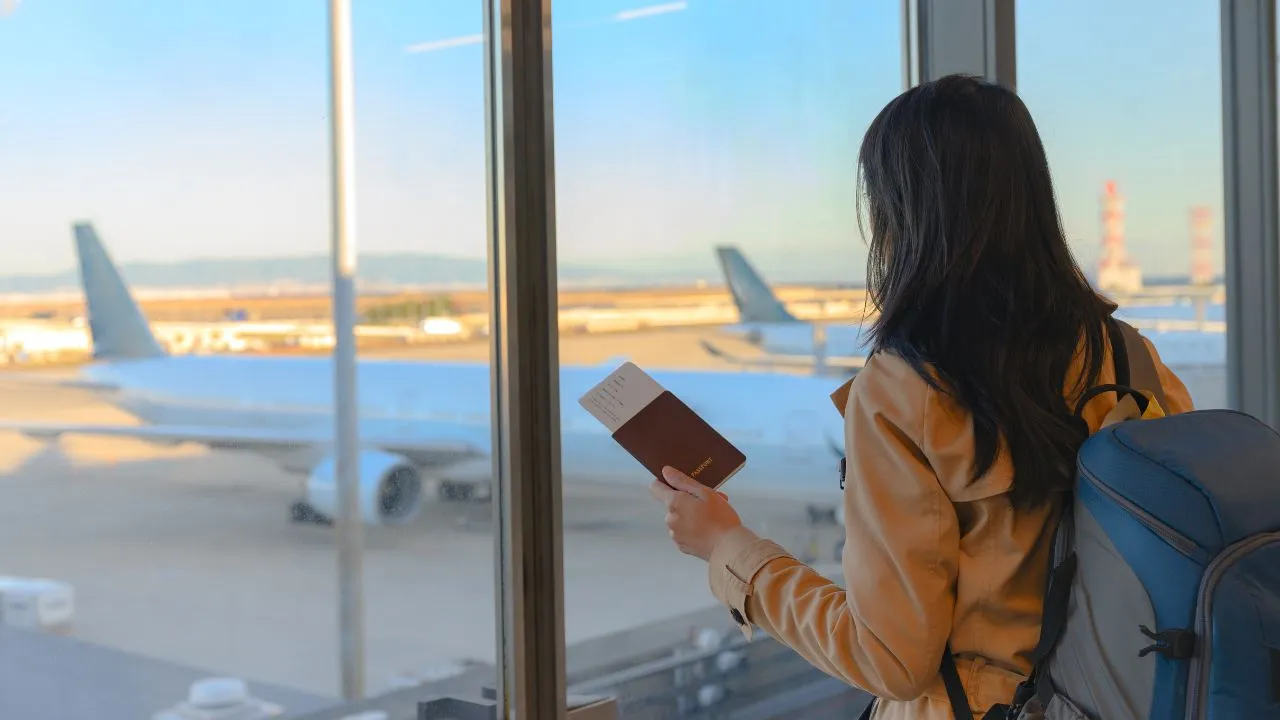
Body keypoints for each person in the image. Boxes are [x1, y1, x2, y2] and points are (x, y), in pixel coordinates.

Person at [648, 74, 1194, 719]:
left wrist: (729, 549)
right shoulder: (1128, 356)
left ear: (902, 214)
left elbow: (891, 658)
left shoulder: (906, 390)